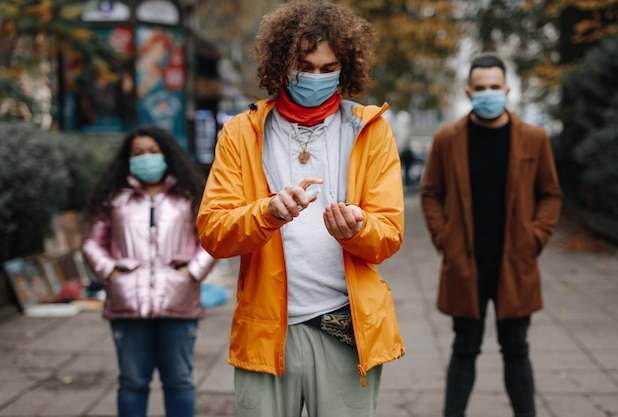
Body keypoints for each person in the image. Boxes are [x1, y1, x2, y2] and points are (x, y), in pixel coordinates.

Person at [196, 2, 405, 416]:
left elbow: (389, 236)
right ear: (280, 64)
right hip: (266, 329)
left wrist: (358, 229)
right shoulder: (242, 132)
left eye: (330, 68)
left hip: (346, 328)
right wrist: (268, 213)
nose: (317, 77)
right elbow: (214, 233)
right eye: (305, 65)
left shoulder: (370, 129)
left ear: (346, 67)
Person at [420, 53, 562, 417]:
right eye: (480, 88)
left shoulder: (533, 138)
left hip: (516, 262)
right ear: (468, 91)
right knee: (464, 348)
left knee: (517, 348)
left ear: (507, 90)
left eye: (494, 87)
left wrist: (536, 237)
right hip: (465, 263)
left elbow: (550, 194)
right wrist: (444, 239)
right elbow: (431, 193)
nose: (487, 94)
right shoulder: (448, 139)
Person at [81, 125, 218, 417]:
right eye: (138, 153)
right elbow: (92, 243)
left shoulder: (189, 196)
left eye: (153, 152)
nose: (146, 158)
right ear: (127, 159)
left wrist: (192, 272)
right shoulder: (114, 198)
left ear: (167, 154)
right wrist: (112, 275)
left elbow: (211, 239)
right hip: (126, 303)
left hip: (179, 302)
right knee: (132, 382)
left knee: (179, 381)